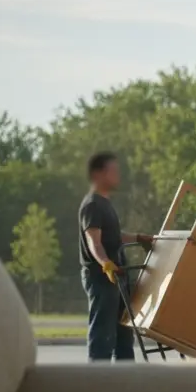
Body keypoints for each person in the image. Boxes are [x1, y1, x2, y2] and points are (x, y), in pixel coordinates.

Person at [79, 152, 154, 361]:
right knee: (102, 334)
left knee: (124, 335)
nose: (117, 175)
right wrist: (106, 264)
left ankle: (125, 379)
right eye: (113, 171)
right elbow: (93, 241)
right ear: (98, 174)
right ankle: (99, 381)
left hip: (118, 277)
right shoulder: (92, 204)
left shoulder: (105, 203)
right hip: (102, 278)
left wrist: (139, 237)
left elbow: (113, 237)